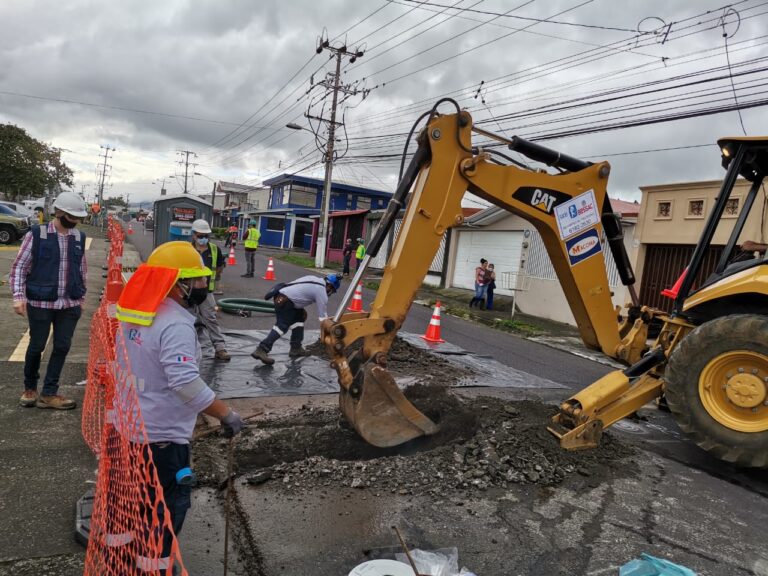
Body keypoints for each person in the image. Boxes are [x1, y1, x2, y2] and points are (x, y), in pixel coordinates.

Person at [114, 241, 244, 570]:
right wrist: (227, 414)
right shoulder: (176, 323)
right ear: (177, 283)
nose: (204, 285)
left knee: (134, 502)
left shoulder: (135, 311)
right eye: (197, 280)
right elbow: (185, 384)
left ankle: (120, 556)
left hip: (130, 428)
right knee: (164, 509)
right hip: (163, 440)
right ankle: (154, 566)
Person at [11, 192, 88, 410]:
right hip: (41, 303)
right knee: (36, 346)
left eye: (78, 218)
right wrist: (18, 297)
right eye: (72, 217)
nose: (75, 222)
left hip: (69, 304)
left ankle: (49, 392)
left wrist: (81, 297)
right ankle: (29, 388)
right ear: (60, 212)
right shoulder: (37, 234)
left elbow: (82, 270)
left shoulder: (78, 237)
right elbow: (19, 268)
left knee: (62, 346)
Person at [252, 274, 341, 365]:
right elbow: (323, 320)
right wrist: (331, 331)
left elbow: (296, 289)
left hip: (284, 297)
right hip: (286, 301)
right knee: (282, 326)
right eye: (332, 291)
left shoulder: (313, 278)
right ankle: (262, 349)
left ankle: (296, 348)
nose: (330, 293)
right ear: (329, 286)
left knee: (299, 318)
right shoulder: (321, 291)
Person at [190, 219, 230, 361]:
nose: (204, 239)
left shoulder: (214, 249)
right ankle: (186, 349)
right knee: (187, 320)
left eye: (206, 236)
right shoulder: (187, 250)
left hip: (206, 292)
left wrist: (215, 279)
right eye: (200, 236)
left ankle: (220, 348)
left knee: (211, 319)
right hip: (188, 292)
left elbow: (219, 267)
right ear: (193, 235)